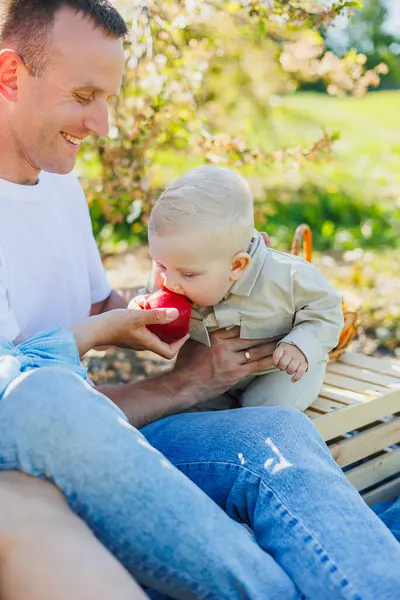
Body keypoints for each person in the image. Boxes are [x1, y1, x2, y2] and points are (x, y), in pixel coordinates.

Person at [0, 1, 400, 599]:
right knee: (47, 392)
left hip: (111, 435)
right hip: (44, 463)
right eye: (84, 96)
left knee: (275, 436)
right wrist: (181, 383)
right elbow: (30, 412)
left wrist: (158, 310)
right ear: (10, 74)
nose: (103, 125)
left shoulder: (59, 181)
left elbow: (96, 305)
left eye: (109, 97)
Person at [145, 165, 343, 412]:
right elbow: (149, 298)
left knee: (264, 407)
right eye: (160, 264)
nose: (169, 282)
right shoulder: (175, 271)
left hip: (279, 370)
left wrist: (301, 345)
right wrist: (143, 309)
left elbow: (327, 311)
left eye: (187, 274)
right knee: (184, 411)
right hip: (212, 372)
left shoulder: (287, 276)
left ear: (237, 265)